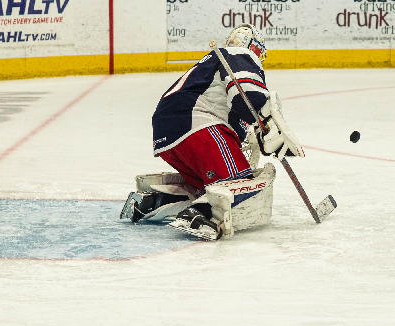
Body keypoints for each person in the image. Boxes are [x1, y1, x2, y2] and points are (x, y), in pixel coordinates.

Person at [121, 25, 303, 240]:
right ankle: (200, 214)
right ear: (254, 47)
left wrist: (262, 133)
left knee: (206, 186)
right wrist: (270, 128)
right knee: (241, 186)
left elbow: (238, 114)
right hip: (197, 126)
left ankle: (152, 200)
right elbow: (247, 96)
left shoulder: (213, 63)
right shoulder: (240, 54)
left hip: (168, 135)